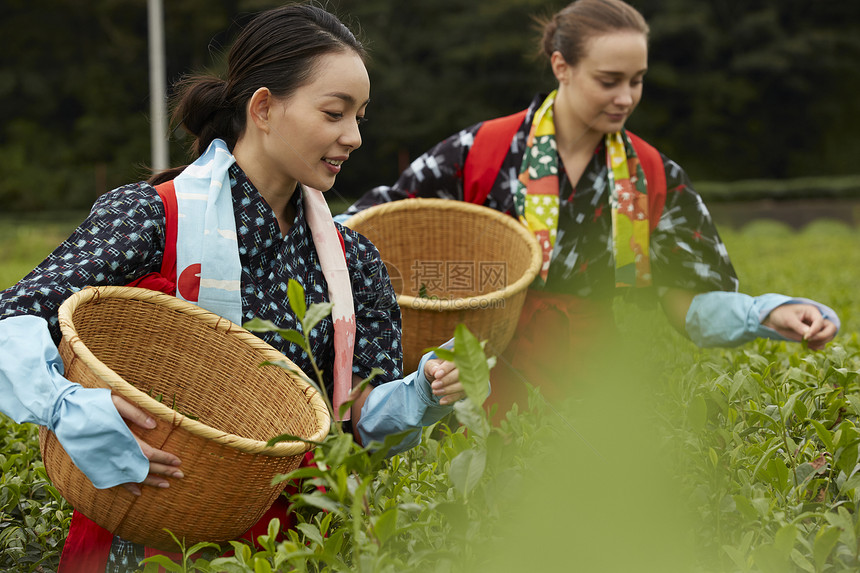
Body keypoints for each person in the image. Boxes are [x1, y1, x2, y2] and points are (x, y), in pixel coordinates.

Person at [0, 4, 469, 572]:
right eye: (334, 113)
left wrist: (424, 391)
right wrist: (66, 405)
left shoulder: (354, 263)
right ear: (264, 108)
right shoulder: (153, 218)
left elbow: (355, 421)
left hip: (288, 544)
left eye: (360, 118)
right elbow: (12, 322)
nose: (353, 136)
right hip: (147, 527)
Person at [335, 0, 840, 415]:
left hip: (595, 391)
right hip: (476, 386)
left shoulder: (650, 174)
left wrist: (768, 312)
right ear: (562, 67)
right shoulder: (483, 151)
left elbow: (689, 303)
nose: (625, 97)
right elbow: (379, 222)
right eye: (609, 80)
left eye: (637, 80)